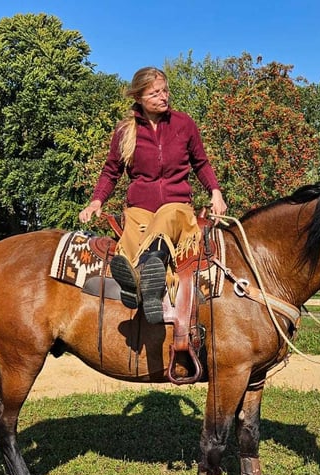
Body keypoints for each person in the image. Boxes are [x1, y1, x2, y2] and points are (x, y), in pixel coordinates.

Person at [79, 67, 227, 324]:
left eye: (165, 91)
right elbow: (111, 171)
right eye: (154, 93)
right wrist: (96, 201)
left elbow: (201, 163)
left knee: (167, 216)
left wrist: (215, 192)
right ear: (139, 98)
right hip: (140, 208)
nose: (163, 97)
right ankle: (142, 287)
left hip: (178, 207)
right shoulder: (125, 131)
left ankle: (147, 274)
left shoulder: (184, 124)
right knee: (133, 236)